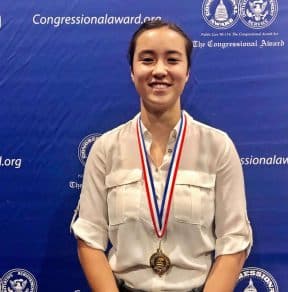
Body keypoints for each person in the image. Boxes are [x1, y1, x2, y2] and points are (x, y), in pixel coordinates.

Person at [71, 20, 253, 292]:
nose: (159, 70)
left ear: (187, 71)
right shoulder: (105, 149)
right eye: (147, 59)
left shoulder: (218, 147)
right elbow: (89, 239)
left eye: (172, 59)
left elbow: (234, 241)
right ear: (132, 71)